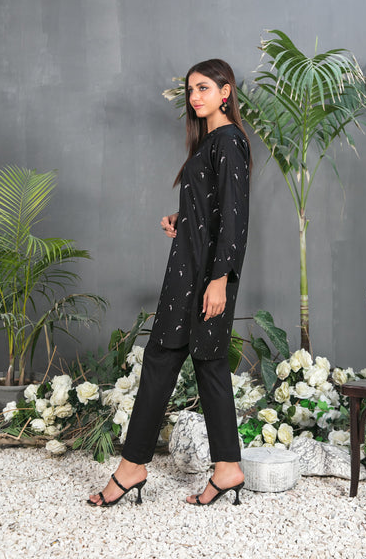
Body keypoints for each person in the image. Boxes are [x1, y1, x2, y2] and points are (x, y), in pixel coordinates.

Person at [88, 58, 251, 507]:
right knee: (208, 363)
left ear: (225, 92)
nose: (195, 97)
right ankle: (228, 468)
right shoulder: (211, 142)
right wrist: (184, 217)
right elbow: (214, 205)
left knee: (162, 359)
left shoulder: (229, 140)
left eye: (204, 88)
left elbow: (235, 217)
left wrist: (219, 280)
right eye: (190, 90)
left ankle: (132, 467)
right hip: (191, 266)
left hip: (204, 275)